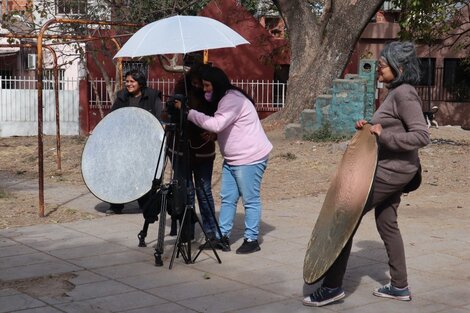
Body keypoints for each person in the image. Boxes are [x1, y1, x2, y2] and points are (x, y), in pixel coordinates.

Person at [303, 41, 430, 307]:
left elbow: (421, 135)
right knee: (387, 224)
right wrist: (369, 126)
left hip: (391, 172)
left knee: (346, 215)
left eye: (383, 66)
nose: (380, 70)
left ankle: (332, 287)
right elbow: (390, 126)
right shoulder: (395, 92)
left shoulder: (404, 94)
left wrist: (384, 135)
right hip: (391, 169)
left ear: (400, 67)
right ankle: (399, 286)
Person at [183, 66, 273, 254]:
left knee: (250, 199)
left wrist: (189, 113)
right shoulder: (225, 98)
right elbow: (225, 127)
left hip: (249, 158)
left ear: (217, 84)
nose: (205, 90)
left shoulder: (231, 100)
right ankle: (221, 236)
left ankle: (251, 239)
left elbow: (217, 124)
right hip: (233, 159)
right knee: (228, 198)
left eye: (207, 86)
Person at [168, 63, 219, 242]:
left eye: (202, 83)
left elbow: (219, 121)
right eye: (196, 83)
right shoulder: (181, 90)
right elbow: (170, 116)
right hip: (180, 150)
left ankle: (212, 233)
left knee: (203, 191)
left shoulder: (213, 96)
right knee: (186, 191)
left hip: (203, 151)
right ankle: (186, 231)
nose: (199, 87)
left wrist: (214, 133)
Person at [106, 69, 163, 215]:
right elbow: (113, 118)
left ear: (140, 83)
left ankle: (145, 203)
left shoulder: (152, 97)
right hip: (125, 143)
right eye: (127, 81)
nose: (128, 84)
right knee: (121, 172)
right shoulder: (122, 97)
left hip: (145, 143)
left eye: (132, 81)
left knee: (143, 173)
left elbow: (159, 117)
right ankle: (116, 205)